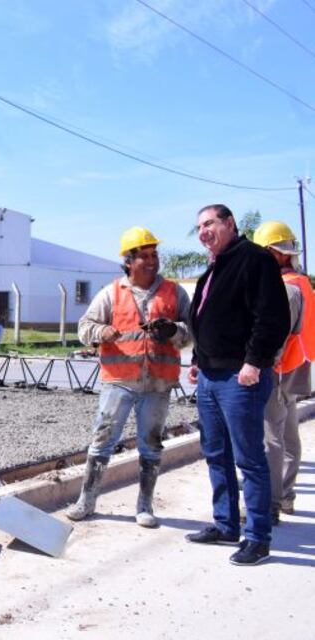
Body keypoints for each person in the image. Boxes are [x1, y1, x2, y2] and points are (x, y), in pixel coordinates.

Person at [186, 204, 290, 566]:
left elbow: (273, 318)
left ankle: (257, 538)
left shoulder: (254, 259)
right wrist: (198, 359)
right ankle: (226, 524)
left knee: (249, 459)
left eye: (210, 223)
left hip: (240, 377)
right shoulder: (217, 265)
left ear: (230, 223)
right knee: (216, 453)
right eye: (199, 227)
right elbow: (208, 318)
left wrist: (254, 361)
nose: (203, 232)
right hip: (210, 375)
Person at [67, 227, 191, 527]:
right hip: (118, 382)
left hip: (158, 383)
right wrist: (101, 331)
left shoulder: (175, 292)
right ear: (128, 261)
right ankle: (87, 500)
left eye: (154, 255)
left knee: (151, 443)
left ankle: (145, 505)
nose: (151, 261)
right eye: (144, 256)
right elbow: (84, 327)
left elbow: (191, 333)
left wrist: (173, 331)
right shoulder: (111, 293)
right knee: (102, 441)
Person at [252, 221, 312, 522]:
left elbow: (278, 334)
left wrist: (261, 364)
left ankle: (271, 503)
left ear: (276, 253)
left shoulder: (286, 288)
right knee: (288, 431)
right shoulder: (301, 282)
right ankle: (286, 495)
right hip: (296, 365)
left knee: (270, 437)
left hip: (278, 367)